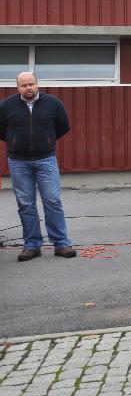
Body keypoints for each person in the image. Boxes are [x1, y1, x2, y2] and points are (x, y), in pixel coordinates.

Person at [1, 72, 75, 262]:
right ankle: (32, 245)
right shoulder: (6, 106)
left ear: (37, 84)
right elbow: (1, 130)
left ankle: (61, 243)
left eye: (31, 84)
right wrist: (15, 141)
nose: (28, 88)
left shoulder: (53, 104)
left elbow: (64, 126)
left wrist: (47, 140)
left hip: (46, 160)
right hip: (18, 162)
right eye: (24, 85)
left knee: (52, 201)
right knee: (26, 204)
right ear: (17, 87)